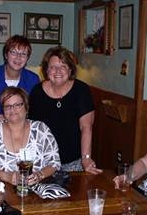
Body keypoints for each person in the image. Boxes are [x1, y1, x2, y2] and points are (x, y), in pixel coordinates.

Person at [29, 46, 102, 174]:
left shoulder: (81, 90)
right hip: (43, 163)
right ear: (46, 70)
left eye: (63, 66)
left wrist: (86, 159)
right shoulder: (37, 92)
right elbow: (31, 128)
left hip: (73, 162)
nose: (57, 71)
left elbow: (86, 127)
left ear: (70, 69)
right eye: (52, 67)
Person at [0, 87, 61, 186]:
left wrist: (39, 175)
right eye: (7, 106)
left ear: (26, 107)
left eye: (17, 105)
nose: (12, 109)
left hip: (38, 190)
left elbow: (54, 163)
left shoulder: (40, 129)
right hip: (2, 191)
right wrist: (7, 176)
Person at [0, 35, 40, 124]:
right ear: (6, 55)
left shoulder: (33, 80)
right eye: (13, 52)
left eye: (23, 54)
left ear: (27, 58)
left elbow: (35, 110)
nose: (18, 57)